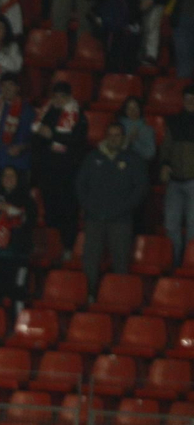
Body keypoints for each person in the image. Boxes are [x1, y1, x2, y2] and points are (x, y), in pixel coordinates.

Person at [77, 121, 149, 298]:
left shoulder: (132, 159)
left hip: (121, 220)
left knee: (120, 261)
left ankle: (118, 299)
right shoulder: (93, 158)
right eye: (111, 135)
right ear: (106, 137)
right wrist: (89, 206)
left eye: (117, 135)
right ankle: (90, 296)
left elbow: (140, 188)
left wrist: (123, 208)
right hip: (95, 218)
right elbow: (80, 185)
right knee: (90, 261)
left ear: (123, 138)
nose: (114, 138)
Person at [31, 80, 87, 247]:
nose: (58, 100)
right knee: (50, 213)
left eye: (62, 97)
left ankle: (68, 248)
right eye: (55, 96)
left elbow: (77, 140)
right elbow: (38, 139)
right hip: (49, 173)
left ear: (69, 97)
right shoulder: (46, 113)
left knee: (68, 213)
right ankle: (51, 247)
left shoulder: (78, 115)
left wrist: (53, 135)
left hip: (69, 174)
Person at [0, 166, 35, 304]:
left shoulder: (26, 199)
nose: (8, 179)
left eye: (12, 176)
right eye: (5, 175)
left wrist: (9, 209)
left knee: (18, 292)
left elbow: (29, 221)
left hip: (17, 253)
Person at [163, 84, 194, 264]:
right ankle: (175, 262)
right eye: (187, 98)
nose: (190, 102)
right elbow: (167, 146)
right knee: (170, 225)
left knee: (193, 226)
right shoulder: (173, 122)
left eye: (193, 99)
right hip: (175, 182)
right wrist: (165, 164)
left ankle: (189, 263)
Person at [0, 73, 31, 175]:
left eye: (10, 85)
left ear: (17, 88)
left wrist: (21, 147)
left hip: (17, 164)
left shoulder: (28, 111)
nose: (7, 89)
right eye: (4, 85)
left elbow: (34, 140)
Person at [119, 97, 158, 161]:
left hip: (138, 163)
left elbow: (150, 153)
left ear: (140, 109)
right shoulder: (118, 126)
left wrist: (135, 141)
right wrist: (128, 140)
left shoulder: (147, 130)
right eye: (129, 108)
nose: (132, 111)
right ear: (125, 110)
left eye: (135, 107)